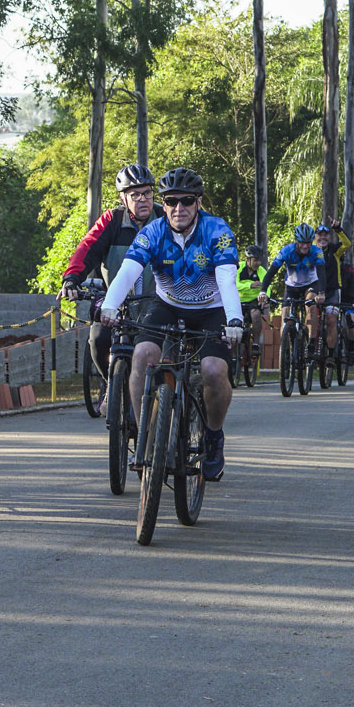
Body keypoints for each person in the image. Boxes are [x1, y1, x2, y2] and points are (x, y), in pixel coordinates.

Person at [98, 167, 244, 481]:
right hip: (167, 305)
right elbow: (128, 270)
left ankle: (213, 436)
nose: (179, 208)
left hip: (212, 309)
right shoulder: (152, 232)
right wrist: (109, 305)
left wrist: (234, 318)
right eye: (171, 201)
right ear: (163, 204)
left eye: (187, 201)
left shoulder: (217, 230)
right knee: (142, 355)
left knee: (213, 371)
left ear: (199, 202)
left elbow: (227, 280)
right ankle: (146, 438)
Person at [60, 164, 164, 385]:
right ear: (122, 198)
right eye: (135, 195)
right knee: (99, 339)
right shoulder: (112, 220)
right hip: (117, 302)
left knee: (163, 355)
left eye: (147, 193)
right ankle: (111, 386)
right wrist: (71, 279)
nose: (143, 200)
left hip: (156, 302)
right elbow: (87, 249)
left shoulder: (165, 218)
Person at [258, 223, 327, 352]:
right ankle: (285, 351)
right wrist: (263, 291)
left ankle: (311, 343)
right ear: (296, 241)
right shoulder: (286, 251)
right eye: (302, 242)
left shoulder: (317, 252)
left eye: (308, 243)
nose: (305, 246)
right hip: (291, 286)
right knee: (285, 317)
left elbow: (321, 273)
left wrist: (321, 293)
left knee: (310, 306)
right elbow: (271, 272)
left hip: (310, 284)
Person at [314, 221, 352, 360]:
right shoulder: (311, 251)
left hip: (333, 291)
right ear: (315, 238)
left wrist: (338, 229)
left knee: (331, 320)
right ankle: (311, 349)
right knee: (312, 320)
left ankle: (330, 355)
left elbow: (347, 244)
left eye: (325, 235)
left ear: (329, 237)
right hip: (315, 291)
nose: (323, 238)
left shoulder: (334, 250)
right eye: (320, 235)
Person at [237, 244, 270, 359]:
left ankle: (255, 344)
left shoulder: (261, 271)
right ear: (248, 259)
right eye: (255, 260)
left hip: (253, 301)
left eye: (260, 260)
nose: (258, 263)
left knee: (256, 315)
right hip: (238, 300)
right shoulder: (239, 268)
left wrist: (266, 297)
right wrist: (250, 285)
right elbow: (234, 284)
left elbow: (267, 286)